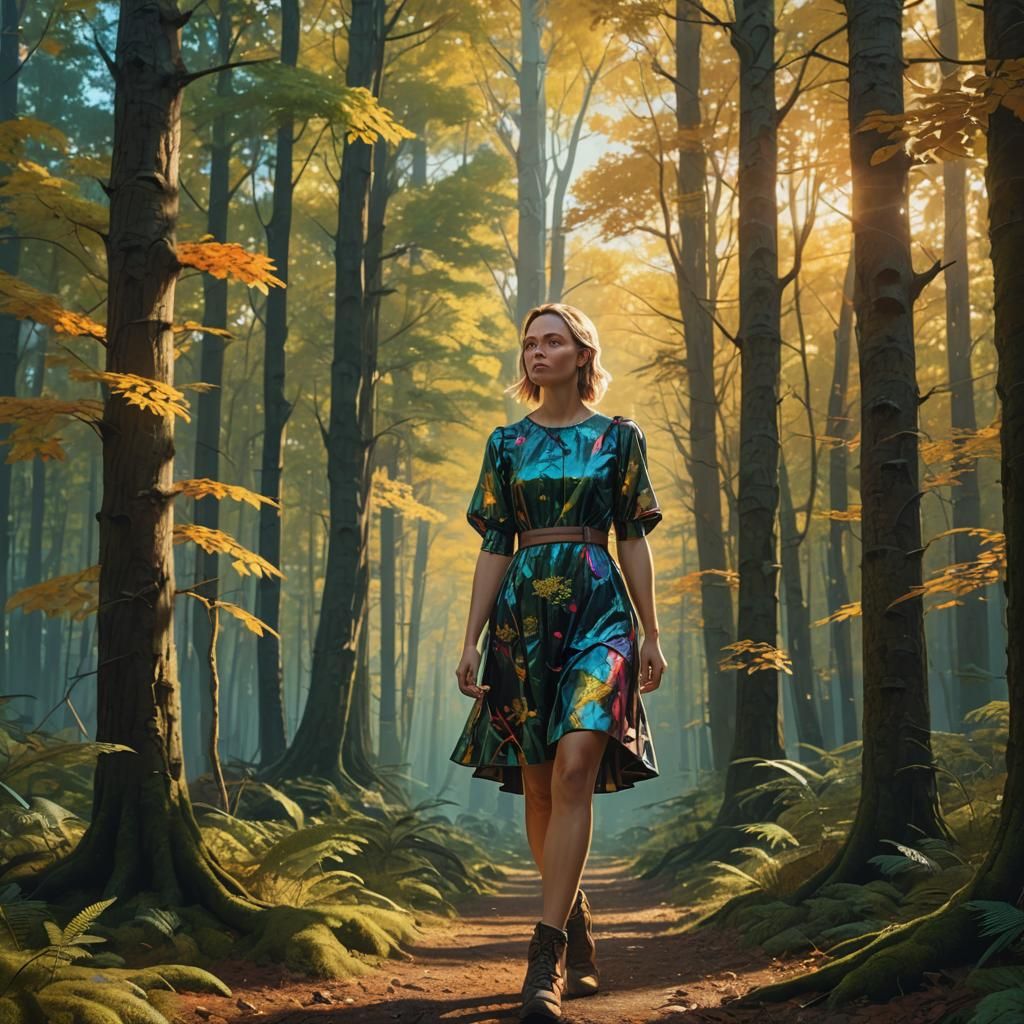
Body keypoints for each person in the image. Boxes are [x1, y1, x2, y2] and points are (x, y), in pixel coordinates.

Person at [450, 303, 668, 1021]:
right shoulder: (505, 443)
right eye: (529, 343)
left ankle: (542, 956)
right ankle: (572, 918)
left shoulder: (618, 438)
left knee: (577, 763)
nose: (537, 352)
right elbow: (494, 546)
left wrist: (650, 631)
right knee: (540, 787)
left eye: (552, 341)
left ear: (582, 353)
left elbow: (633, 536)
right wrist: (470, 637)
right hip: (521, 619)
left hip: (598, 608)